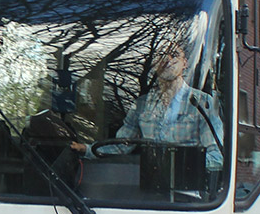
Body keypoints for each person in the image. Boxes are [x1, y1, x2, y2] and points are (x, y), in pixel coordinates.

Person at [74, 40, 224, 171]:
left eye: (174, 55)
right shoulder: (141, 104)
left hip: (188, 194)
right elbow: (121, 146)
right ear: (154, 64)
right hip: (145, 190)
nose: (167, 60)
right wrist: (86, 149)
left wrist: (179, 164)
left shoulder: (203, 103)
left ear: (185, 63)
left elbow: (217, 156)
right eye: (161, 55)